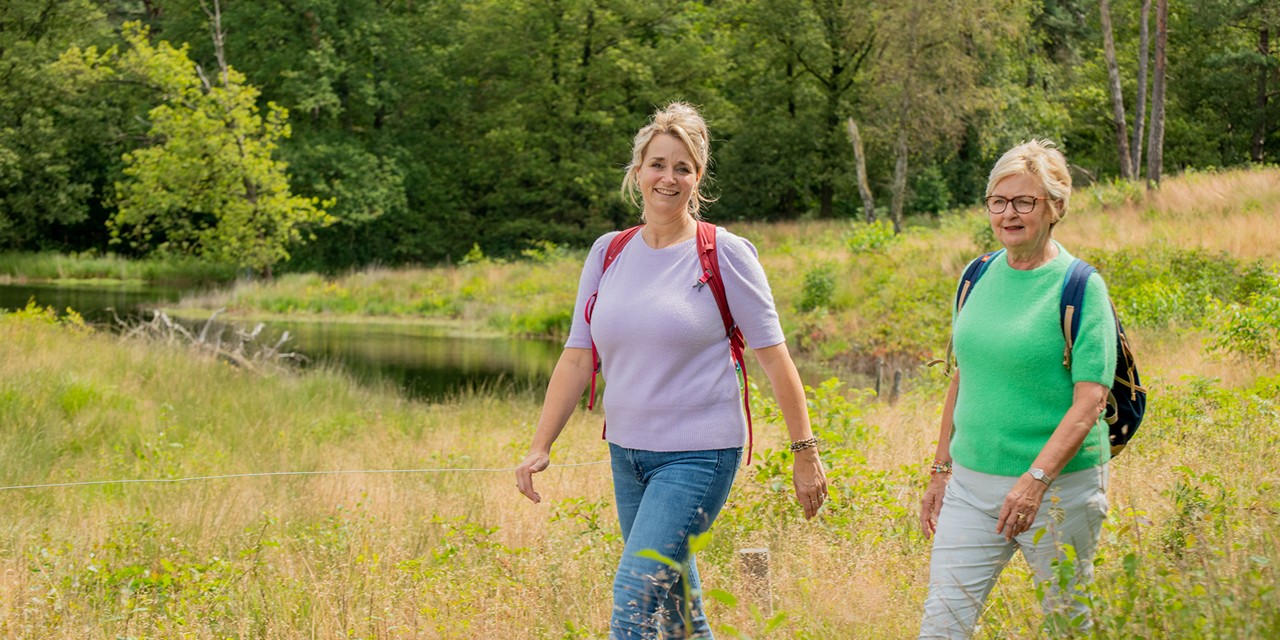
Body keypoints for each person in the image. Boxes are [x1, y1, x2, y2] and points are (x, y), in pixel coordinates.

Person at [515, 102, 828, 639]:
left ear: (697, 178)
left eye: (683, 168)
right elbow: (578, 355)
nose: (668, 177)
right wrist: (541, 443)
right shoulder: (608, 252)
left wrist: (806, 452)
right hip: (628, 453)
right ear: (638, 171)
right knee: (678, 611)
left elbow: (774, 357)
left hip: (699, 455)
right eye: (658, 164)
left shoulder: (724, 253)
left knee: (635, 595)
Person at [918, 140, 1117, 638]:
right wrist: (941, 470)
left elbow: (1090, 401)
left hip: (1059, 491)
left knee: (1068, 625)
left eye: (1025, 201)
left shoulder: (1081, 287)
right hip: (970, 487)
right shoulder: (976, 275)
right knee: (942, 625)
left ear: (1055, 207)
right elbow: (964, 376)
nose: (1009, 213)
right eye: (998, 201)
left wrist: (1035, 481)